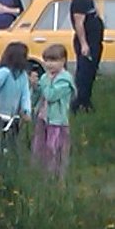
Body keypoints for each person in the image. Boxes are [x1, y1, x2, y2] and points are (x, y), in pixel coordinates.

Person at [31, 44, 75, 175]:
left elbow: (51, 96)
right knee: (40, 145)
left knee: (54, 147)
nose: (50, 64)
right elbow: (39, 95)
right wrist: (35, 86)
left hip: (57, 120)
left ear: (63, 61)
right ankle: (40, 172)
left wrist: (47, 83)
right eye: (47, 60)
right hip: (43, 117)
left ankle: (55, 174)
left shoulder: (64, 80)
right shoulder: (45, 77)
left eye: (54, 61)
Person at [70, 0, 102, 113]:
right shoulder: (80, 0)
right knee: (84, 73)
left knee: (91, 72)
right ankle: (78, 103)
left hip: (94, 42)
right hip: (87, 43)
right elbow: (79, 23)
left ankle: (86, 101)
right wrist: (84, 44)